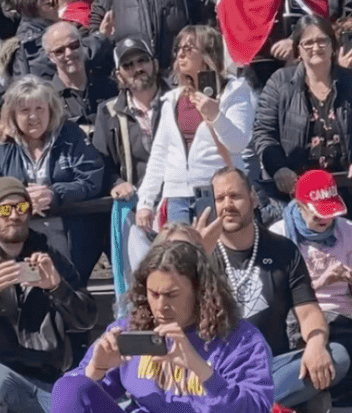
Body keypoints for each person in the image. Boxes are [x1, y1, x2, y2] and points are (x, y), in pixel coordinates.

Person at [49, 239, 273, 413]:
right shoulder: (130, 329)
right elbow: (73, 401)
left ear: (200, 292)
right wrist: (96, 370)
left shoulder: (240, 339)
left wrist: (202, 370)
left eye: (171, 295)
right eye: (153, 294)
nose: (160, 306)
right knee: (69, 386)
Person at [209, 166, 349, 413]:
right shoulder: (202, 253)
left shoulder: (282, 250)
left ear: (252, 198)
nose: (227, 205)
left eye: (235, 196)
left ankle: (234, 409)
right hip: (214, 370)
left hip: (268, 369)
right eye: (220, 198)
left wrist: (315, 345)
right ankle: (274, 405)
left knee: (337, 356)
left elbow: (308, 314)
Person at [269, 170, 352, 406]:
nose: (326, 220)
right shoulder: (279, 235)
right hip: (300, 318)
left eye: (330, 214)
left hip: (343, 317)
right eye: (318, 214)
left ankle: (315, 396)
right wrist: (322, 281)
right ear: (300, 206)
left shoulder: (348, 230)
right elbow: (278, 296)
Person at [0, 177, 96, 413]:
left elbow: (87, 319)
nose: (14, 215)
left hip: (49, 381)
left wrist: (58, 288)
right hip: (6, 379)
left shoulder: (49, 256)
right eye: (5, 210)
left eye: (21, 208)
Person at [252, 15, 352, 220]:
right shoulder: (279, 82)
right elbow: (264, 132)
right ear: (298, 50)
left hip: (345, 191)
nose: (315, 47)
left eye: (322, 41)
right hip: (295, 195)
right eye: (307, 43)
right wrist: (278, 168)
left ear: (333, 45)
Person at [136, 26, 255, 229]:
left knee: (219, 257)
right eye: (179, 48)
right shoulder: (172, 99)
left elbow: (238, 143)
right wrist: (145, 202)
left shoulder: (234, 92)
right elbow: (159, 154)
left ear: (207, 53)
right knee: (182, 257)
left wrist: (215, 115)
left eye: (189, 48)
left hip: (217, 194)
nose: (180, 53)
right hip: (176, 198)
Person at [0, 77, 104, 284]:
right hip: (19, 229)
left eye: (39, 108)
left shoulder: (70, 135)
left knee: (63, 284)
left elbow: (92, 177)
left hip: (65, 227)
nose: (33, 117)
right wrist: (20, 197)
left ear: (50, 109)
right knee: (28, 287)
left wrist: (54, 194)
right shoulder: (5, 146)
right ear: (13, 115)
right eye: (24, 111)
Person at [93, 37, 170, 295]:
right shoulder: (108, 112)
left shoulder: (180, 101)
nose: (137, 68)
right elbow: (100, 161)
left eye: (142, 60)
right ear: (119, 75)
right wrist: (116, 183)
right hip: (136, 208)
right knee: (140, 281)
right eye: (128, 64)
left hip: (178, 202)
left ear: (155, 64)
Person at [43, 21, 117, 135]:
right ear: (51, 57)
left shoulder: (109, 86)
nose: (69, 53)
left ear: (82, 44)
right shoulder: (48, 100)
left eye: (73, 46)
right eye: (59, 51)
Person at [10, 0, 59, 81]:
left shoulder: (40, 28)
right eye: (52, 3)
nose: (57, 6)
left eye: (56, 1)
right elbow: (44, 67)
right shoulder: (31, 40)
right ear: (33, 9)